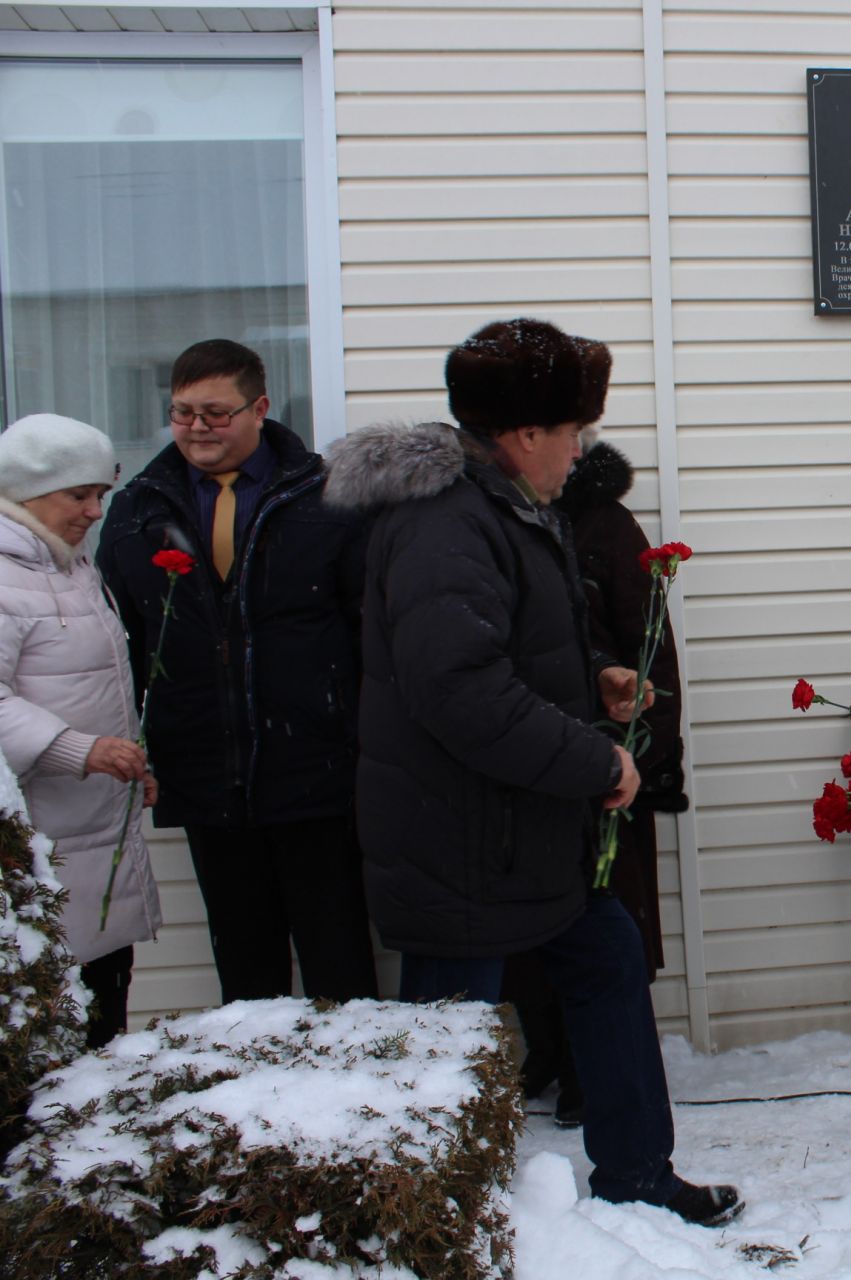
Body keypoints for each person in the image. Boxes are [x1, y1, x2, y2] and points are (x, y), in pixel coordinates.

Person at [323, 317, 740, 1226]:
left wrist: (596, 679)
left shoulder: (505, 510)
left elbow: (506, 651)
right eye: (574, 431)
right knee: (448, 1047)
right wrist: (597, 760)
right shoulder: (444, 525)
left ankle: (636, 1176)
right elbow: (461, 691)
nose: (581, 448)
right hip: (461, 845)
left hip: (525, 833)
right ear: (525, 435)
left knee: (607, 959)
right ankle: (429, 1212)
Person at [97, 339, 377, 1005]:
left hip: (317, 768)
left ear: (260, 408)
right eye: (182, 412)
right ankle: (263, 1098)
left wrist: (366, 739)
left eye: (216, 413)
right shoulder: (139, 509)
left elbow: (371, 631)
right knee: (246, 970)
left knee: (338, 958)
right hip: (205, 772)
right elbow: (124, 642)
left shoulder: (327, 498)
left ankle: (358, 1093)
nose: (198, 428)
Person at [507, 426, 689, 1127]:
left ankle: (594, 1068)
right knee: (528, 918)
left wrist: (645, 752)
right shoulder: (499, 522)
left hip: (605, 755)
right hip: (522, 751)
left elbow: (652, 647)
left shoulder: (606, 525)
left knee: (608, 914)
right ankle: (547, 1050)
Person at [0, 414, 161, 1046]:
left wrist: (127, 761)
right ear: (25, 490)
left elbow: (96, 687)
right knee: (57, 1031)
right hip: (42, 841)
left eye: (102, 493)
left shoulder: (68, 567)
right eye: (79, 495)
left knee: (101, 1010)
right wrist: (79, 749)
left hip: (95, 832)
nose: (96, 511)